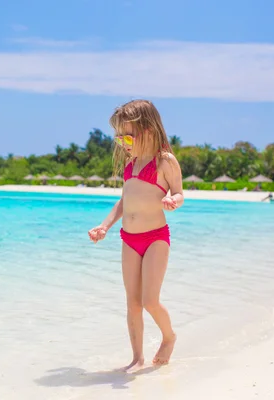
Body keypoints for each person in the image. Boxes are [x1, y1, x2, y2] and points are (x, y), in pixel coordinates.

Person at [88, 99, 184, 371]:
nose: (123, 143)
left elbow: (179, 192)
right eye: (119, 139)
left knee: (149, 300)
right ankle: (137, 358)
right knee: (132, 303)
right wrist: (104, 226)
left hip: (155, 238)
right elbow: (124, 202)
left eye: (127, 136)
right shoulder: (131, 164)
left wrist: (174, 201)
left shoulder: (164, 161)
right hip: (128, 239)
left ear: (149, 130)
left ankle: (169, 336)